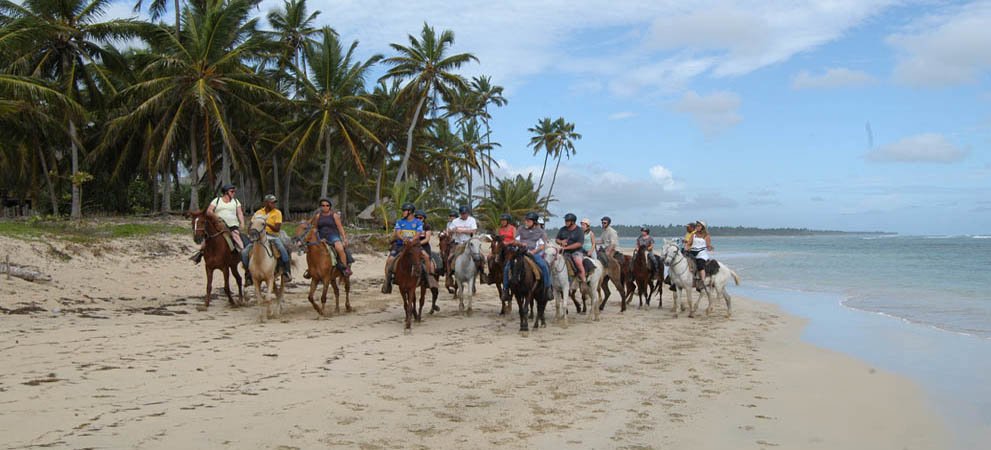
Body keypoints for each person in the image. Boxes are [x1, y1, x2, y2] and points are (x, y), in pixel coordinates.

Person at [503, 212, 553, 300]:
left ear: (534, 222)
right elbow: (515, 241)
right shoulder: (521, 229)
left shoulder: (540, 232)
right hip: (520, 252)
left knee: (544, 266)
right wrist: (521, 243)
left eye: (528, 221)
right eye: (526, 220)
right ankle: (505, 289)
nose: (526, 222)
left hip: (533, 253)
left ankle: (548, 288)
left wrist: (533, 252)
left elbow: (542, 246)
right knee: (507, 267)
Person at [242, 194, 291, 283]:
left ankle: (286, 271)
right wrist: (250, 232)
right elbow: (251, 225)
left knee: (282, 249)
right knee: (245, 252)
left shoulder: (277, 213)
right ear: (266, 203)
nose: (274, 204)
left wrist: (266, 223)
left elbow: (277, 228)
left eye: (274, 202)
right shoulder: (258, 213)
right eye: (272, 202)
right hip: (258, 236)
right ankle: (248, 273)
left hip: (272, 236)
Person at [191, 183, 245, 263]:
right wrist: (216, 217)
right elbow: (209, 211)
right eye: (232, 191)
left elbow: (239, 213)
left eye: (234, 191)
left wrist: (242, 223)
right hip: (218, 225)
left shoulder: (236, 202)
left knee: (236, 237)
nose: (234, 193)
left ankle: (243, 254)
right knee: (208, 238)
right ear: (226, 192)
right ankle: (200, 253)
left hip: (232, 225)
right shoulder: (217, 200)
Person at [382, 203, 423, 294]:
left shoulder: (418, 222)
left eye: (404, 211)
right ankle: (388, 282)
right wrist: (403, 239)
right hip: (400, 245)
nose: (403, 212)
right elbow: (398, 233)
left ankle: (427, 278)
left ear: (410, 212)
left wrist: (411, 240)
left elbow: (418, 234)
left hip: (413, 246)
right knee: (390, 260)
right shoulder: (400, 222)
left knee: (425, 258)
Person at [313, 198, 351, 277]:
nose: (325, 207)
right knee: (312, 250)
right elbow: (315, 227)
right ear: (320, 206)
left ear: (330, 206)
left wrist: (344, 238)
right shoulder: (318, 216)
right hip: (321, 236)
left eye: (327, 205)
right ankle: (311, 269)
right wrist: (315, 234)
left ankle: (345, 268)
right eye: (323, 205)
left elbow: (340, 227)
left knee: (340, 248)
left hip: (333, 236)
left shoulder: (334, 215)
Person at [446, 205, 478, 273]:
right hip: (458, 243)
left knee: (479, 256)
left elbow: (474, 231)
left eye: (465, 213)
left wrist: (462, 231)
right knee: (450, 258)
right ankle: (449, 275)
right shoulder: (455, 221)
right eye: (462, 213)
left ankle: (481, 272)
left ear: (468, 213)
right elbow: (449, 230)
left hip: (469, 243)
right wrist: (454, 230)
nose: (464, 215)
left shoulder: (472, 220)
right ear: (460, 214)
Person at [555, 213, 587, 283]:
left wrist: (566, 248)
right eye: (565, 220)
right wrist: (561, 242)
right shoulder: (562, 229)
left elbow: (579, 244)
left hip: (576, 251)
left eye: (567, 221)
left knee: (578, 262)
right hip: (564, 251)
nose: (565, 222)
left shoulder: (579, 230)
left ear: (572, 222)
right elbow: (557, 239)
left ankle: (583, 278)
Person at [414, 210, 438, 288]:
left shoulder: (426, 226)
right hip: (412, 246)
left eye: (420, 218)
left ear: (423, 219)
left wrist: (418, 244)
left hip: (423, 246)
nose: (418, 219)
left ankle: (428, 276)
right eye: (416, 217)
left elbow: (427, 239)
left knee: (426, 257)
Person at [689, 220, 714, 288]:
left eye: (698, 226)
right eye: (696, 225)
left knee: (700, 264)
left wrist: (710, 248)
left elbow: (708, 246)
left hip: (701, 253)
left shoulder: (706, 235)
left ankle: (703, 281)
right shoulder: (693, 234)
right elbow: (689, 243)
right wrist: (686, 248)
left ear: (702, 227)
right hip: (692, 252)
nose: (697, 227)